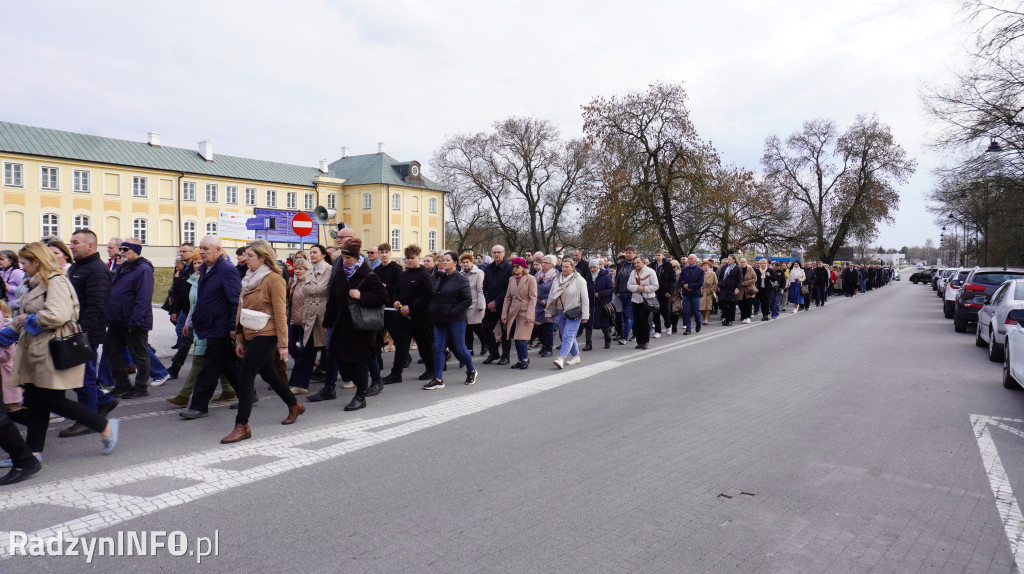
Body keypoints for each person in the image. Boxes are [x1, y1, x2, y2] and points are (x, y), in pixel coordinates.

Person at [0, 242, 119, 468]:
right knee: (35, 401)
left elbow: (58, 315)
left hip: (50, 349)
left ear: (37, 261)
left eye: (25, 263)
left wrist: (29, 320)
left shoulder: (56, 281)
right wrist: (8, 332)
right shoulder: (34, 282)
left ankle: (103, 426)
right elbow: (21, 319)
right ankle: (33, 452)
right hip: (35, 349)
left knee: (51, 400)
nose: (22, 267)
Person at [218, 239, 302, 444]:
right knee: (268, 374)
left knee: (246, 375)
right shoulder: (247, 278)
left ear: (263, 258)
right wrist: (239, 339)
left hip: (267, 332)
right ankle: (294, 404)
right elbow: (241, 310)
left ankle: (242, 425)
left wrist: (283, 344)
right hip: (249, 333)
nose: (245, 259)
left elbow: (281, 314)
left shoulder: (274, 279)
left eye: (250, 256)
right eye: (245, 255)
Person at [60, 229, 118, 437]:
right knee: (76, 377)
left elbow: (96, 305)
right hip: (75, 331)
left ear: (90, 245)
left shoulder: (96, 270)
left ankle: (87, 419)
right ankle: (103, 401)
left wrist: (80, 332)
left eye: (76, 242)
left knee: (82, 378)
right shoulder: (78, 266)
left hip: (84, 334)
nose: (71, 246)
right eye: (71, 242)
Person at [179, 236, 244, 418]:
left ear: (218, 250)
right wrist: (193, 322)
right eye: (201, 248)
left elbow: (235, 301)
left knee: (209, 367)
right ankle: (248, 394)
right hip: (209, 325)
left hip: (221, 327)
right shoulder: (206, 270)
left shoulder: (227, 270)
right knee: (227, 365)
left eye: (206, 248)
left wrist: (233, 327)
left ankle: (199, 406)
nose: (202, 252)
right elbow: (203, 300)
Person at [323, 238, 389, 410]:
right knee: (337, 355)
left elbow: (383, 296)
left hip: (361, 326)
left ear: (356, 257)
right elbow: (333, 299)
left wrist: (362, 296)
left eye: (348, 259)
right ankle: (357, 385)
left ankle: (361, 395)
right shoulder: (341, 273)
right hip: (342, 323)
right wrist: (327, 321)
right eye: (343, 259)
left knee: (359, 361)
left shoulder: (367, 274)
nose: (345, 262)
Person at [167, 256, 236, 407]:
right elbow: (194, 305)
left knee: (200, 362)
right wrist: (188, 323)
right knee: (222, 362)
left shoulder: (215, 276)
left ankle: (185, 396)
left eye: (200, 262)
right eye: (195, 263)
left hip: (211, 325)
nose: (197, 265)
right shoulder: (195, 279)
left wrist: (232, 327)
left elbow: (233, 301)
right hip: (200, 324)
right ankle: (232, 391)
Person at [105, 237, 154, 399]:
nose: (121, 252)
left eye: (125, 249)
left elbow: (143, 298)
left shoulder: (143, 269)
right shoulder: (124, 267)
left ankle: (141, 387)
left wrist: (135, 321)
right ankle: (122, 384)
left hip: (133, 322)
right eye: (121, 249)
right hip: (117, 321)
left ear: (136, 251)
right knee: (110, 350)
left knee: (139, 355)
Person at [423, 251, 477, 389]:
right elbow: (434, 296)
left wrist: (452, 311)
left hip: (456, 320)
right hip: (439, 319)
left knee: (460, 348)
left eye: (447, 260)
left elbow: (467, 300)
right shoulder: (440, 278)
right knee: (439, 349)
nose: (444, 262)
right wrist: (432, 309)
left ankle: (471, 371)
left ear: (455, 263)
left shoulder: (461, 279)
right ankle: (438, 379)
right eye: (442, 260)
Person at [384, 245, 435, 383]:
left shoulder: (423, 275)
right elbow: (397, 291)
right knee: (401, 345)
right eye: (408, 258)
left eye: (413, 258)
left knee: (424, 345)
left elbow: (427, 296)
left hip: (420, 316)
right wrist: (395, 301)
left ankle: (431, 370)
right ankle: (396, 374)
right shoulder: (404, 274)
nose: (410, 261)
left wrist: (411, 308)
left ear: (419, 258)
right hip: (403, 316)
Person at [289, 244, 332, 394]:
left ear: (323, 255)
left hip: (323, 313)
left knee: (332, 350)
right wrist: (304, 318)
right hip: (310, 315)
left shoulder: (329, 270)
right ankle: (300, 384)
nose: (312, 254)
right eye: (311, 252)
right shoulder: (310, 271)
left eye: (315, 252)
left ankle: (349, 378)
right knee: (307, 349)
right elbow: (306, 297)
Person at [546, 258, 590, 367]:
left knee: (568, 335)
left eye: (567, 267)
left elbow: (585, 299)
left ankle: (561, 358)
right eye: (563, 266)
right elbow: (552, 296)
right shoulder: (557, 279)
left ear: (572, 268)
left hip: (574, 311)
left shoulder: (579, 280)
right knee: (567, 335)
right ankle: (576, 356)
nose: (564, 269)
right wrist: (548, 312)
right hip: (561, 311)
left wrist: (585, 315)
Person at [166, 243, 197, 379]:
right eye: (180, 251)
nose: (181, 254)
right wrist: (175, 310)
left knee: (187, 339)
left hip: (195, 309)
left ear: (192, 252)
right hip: (186, 309)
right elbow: (179, 292)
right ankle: (175, 365)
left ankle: (175, 366)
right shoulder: (183, 270)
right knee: (182, 334)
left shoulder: (194, 270)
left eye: (184, 251)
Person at [501, 257, 538, 370]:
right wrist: (504, 314)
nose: (515, 269)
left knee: (521, 337)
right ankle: (520, 359)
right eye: (514, 267)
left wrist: (530, 314)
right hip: (513, 312)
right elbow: (507, 298)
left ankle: (525, 359)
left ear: (523, 267)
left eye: (518, 266)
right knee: (516, 338)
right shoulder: (511, 279)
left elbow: (533, 298)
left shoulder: (530, 279)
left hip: (525, 311)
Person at [482, 245, 513, 365]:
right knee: (486, 327)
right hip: (490, 304)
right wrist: (490, 302)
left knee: (505, 331)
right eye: (494, 252)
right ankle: (494, 353)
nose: (496, 254)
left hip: (504, 303)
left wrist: (496, 302)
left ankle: (506, 356)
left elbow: (507, 289)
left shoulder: (509, 268)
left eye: (499, 252)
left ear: (504, 253)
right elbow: (484, 287)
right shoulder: (488, 268)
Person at [627, 255, 659, 349]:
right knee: (636, 321)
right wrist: (637, 287)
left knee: (643, 321)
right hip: (635, 300)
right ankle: (639, 341)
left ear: (643, 262)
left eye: (638, 263)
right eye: (635, 263)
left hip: (647, 300)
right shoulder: (633, 273)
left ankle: (645, 341)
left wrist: (644, 288)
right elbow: (629, 286)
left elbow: (655, 286)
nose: (636, 265)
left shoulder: (650, 271)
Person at [459, 253, 486, 359]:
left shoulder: (478, 273)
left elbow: (480, 290)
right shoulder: (460, 274)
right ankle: (470, 349)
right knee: (467, 328)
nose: (465, 264)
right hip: (464, 305)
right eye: (463, 262)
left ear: (471, 262)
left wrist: (481, 305)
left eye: (467, 262)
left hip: (475, 304)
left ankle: (485, 343)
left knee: (477, 327)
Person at [533, 255, 558, 357]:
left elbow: (557, 292)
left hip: (549, 306)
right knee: (537, 328)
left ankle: (548, 348)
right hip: (537, 305)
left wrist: (548, 300)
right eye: (542, 262)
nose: (542, 264)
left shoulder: (556, 276)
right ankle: (543, 345)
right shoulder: (538, 274)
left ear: (552, 265)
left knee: (547, 329)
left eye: (545, 263)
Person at [648, 249, 674, 338]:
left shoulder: (668, 266)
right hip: (654, 293)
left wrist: (670, 291)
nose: (657, 257)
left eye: (659, 255)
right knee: (655, 312)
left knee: (664, 311)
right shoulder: (651, 266)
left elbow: (672, 280)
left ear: (663, 255)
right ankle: (657, 331)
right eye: (656, 255)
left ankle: (668, 325)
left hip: (664, 292)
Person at [614, 246, 637, 344]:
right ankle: (635, 333)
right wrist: (617, 290)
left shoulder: (636, 264)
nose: (628, 254)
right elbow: (617, 277)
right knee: (626, 315)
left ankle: (624, 336)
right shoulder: (622, 264)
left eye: (630, 252)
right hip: (622, 292)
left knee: (629, 315)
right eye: (627, 253)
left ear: (634, 253)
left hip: (632, 293)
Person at [590, 259, 615, 349]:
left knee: (604, 324)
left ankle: (607, 339)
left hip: (602, 303)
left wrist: (600, 294)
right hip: (591, 303)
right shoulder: (588, 277)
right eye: (591, 267)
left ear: (598, 267)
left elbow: (611, 289)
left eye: (594, 267)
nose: (592, 269)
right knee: (589, 324)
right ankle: (588, 344)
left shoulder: (605, 276)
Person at [678, 254, 704, 334]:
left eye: (691, 259)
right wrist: (684, 286)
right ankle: (688, 328)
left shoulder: (700, 270)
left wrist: (690, 286)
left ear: (695, 260)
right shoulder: (685, 270)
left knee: (696, 311)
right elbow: (679, 281)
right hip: (686, 293)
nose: (689, 260)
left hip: (695, 293)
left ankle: (698, 322)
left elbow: (700, 282)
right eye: (688, 259)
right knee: (686, 311)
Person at [717, 256, 742, 326]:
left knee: (731, 304)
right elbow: (720, 277)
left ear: (734, 260)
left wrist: (737, 288)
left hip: (732, 287)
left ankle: (730, 319)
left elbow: (739, 279)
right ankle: (725, 317)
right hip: (724, 287)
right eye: (728, 259)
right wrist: (719, 285)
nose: (728, 261)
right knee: (723, 302)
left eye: (730, 259)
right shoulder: (725, 267)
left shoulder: (737, 268)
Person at [0, 250, 26, 315]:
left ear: (11, 261)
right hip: (4, 307)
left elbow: (25, 289)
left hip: (14, 309)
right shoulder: (2, 272)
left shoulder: (17, 273)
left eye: (2, 259)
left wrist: (9, 288)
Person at [737, 258, 757, 324]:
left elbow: (754, 278)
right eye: (741, 262)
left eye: (744, 262)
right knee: (741, 304)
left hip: (748, 289)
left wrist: (746, 283)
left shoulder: (750, 269)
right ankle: (743, 317)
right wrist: (740, 283)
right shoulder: (738, 269)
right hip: (741, 290)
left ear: (746, 263)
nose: (742, 263)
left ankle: (748, 317)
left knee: (748, 304)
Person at [700, 260, 718, 326]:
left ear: (709, 266)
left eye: (706, 266)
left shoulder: (713, 273)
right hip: (701, 292)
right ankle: (704, 317)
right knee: (702, 306)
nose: (705, 267)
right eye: (704, 266)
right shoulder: (700, 273)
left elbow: (716, 282)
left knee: (708, 306)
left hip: (709, 292)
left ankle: (706, 319)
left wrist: (713, 289)